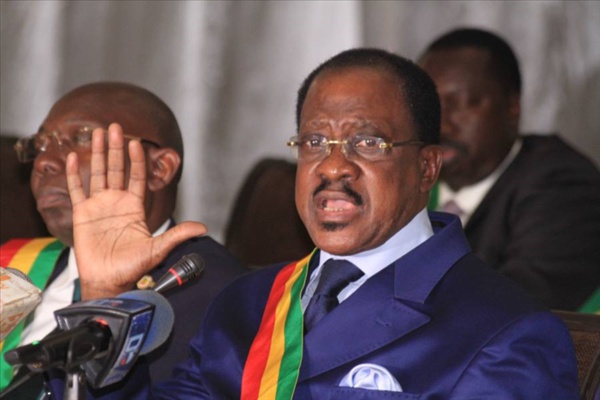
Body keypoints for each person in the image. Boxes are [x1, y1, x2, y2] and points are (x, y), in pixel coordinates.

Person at [50, 49, 578, 398]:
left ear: (426, 168)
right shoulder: (246, 303)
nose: (332, 166)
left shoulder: (505, 332)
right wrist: (105, 297)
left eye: (367, 142)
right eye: (315, 141)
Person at [0, 82, 247, 397]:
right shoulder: (17, 265)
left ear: (159, 169)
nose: (43, 162)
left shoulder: (222, 298)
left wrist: (102, 296)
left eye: (82, 138)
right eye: (40, 145)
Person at [418, 28, 600, 311]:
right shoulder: (411, 180)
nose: (440, 125)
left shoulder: (565, 187)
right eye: (429, 107)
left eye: (462, 103)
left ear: (512, 106)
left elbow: (512, 308)